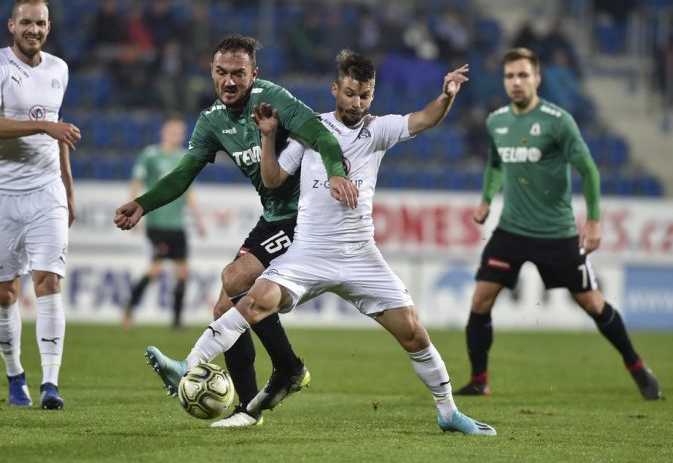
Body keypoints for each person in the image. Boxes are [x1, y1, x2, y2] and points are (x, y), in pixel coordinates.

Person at [145, 50, 497, 435]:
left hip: (361, 255)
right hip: (309, 252)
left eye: (364, 96)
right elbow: (275, 180)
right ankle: (190, 365)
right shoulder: (309, 129)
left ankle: (448, 413)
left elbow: (426, 118)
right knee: (253, 299)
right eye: (349, 93)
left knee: (413, 331)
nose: (356, 103)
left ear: (372, 95)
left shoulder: (378, 130)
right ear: (335, 89)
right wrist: (267, 139)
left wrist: (446, 95)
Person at [114, 34, 358, 428]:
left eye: (238, 74)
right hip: (275, 215)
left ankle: (288, 369)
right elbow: (182, 174)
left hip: (307, 216)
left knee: (235, 277)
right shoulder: (212, 121)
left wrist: (335, 173)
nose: (229, 82)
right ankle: (249, 408)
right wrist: (144, 203)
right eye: (221, 73)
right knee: (225, 306)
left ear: (254, 74)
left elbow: (322, 135)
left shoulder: (274, 100)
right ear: (211, 72)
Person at [453, 48, 662, 401]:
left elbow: (589, 169)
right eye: (509, 76)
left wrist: (594, 222)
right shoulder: (496, 121)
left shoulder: (558, 120)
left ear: (537, 78)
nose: (515, 82)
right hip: (511, 231)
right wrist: (487, 198)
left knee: (592, 304)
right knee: (480, 300)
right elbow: (495, 164)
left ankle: (637, 366)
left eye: (523, 75)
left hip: (556, 234)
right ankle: (479, 380)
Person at [0, 0, 81, 409]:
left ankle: (50, 384)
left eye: (40, 23)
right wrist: (44, 125)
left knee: (49, 281)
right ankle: (15, 374)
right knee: (5, 293)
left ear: (48, 27)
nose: (33, 30)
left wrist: (69, 192)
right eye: (26, 23)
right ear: (11, 26)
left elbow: (61, 135)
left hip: (45, 191)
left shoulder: (59, 69)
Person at [123, 115, 206, 330]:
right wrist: (134, 211)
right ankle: (129, 309)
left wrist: (198, 219)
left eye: (180, 132)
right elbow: (136, 182)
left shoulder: (184, 157)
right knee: (156, 268)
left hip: (177, 225)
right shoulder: (151, 155)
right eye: (172, 131)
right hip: (157, 223)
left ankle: (176, 322)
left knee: (182, 273)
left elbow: (188, 192)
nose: (176, 135)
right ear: (163, 132)